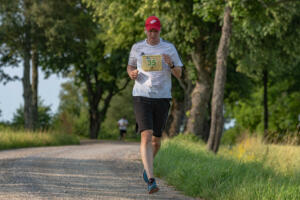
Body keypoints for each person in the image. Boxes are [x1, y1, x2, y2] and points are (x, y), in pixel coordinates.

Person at [127, 16, 183, 194]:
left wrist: (171, 64)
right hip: (141, 96)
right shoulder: (137, 48)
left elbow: (179, 73)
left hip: (162, 98)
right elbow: (129, 67)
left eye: (155, 30)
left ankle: (147, 166)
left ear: (160, 31)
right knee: (146, 135)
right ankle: (151, 180)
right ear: (146, 30)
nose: (152, 33)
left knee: (156, 141)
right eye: (150, 30)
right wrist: (132, 73)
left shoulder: (169, 48)